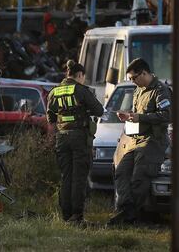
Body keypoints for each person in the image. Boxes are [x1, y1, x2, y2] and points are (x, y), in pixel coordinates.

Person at [109, 58, 171, 225]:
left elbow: (167, 115)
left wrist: (139, 117)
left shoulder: (160, 90)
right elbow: (137, 114)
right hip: (134, 140)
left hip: (152, 141)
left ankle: (128, 218)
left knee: (139, 178)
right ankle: (126, 210)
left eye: (134, 78)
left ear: (144, 73)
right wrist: (128, 115)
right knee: (121, 171)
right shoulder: (138, 90)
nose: (133, 81)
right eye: (130, 79)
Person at [47, 60, 103, 223]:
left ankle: (65, 215)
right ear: (80, 75)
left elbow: (50, 117)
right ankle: (77, 216)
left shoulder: (54, 91)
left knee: (66, 176)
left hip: (62, 137)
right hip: (79, 137)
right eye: (83, 77)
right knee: (79, 177)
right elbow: (99, 110)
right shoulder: (81, 90)